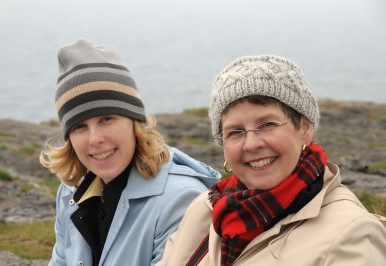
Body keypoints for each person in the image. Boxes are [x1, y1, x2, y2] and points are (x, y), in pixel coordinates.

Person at [158, 55, 386, 265]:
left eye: (267, 125)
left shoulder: (352, 234)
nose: (251, 143)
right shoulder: (205, 209)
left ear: (305, 128)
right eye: (235, 131)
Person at [40, 38, 221, 266]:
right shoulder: (70, 193)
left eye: (106, 119)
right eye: (79, 126)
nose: (95, 139)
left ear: (134, 122)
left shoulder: (181, 200)